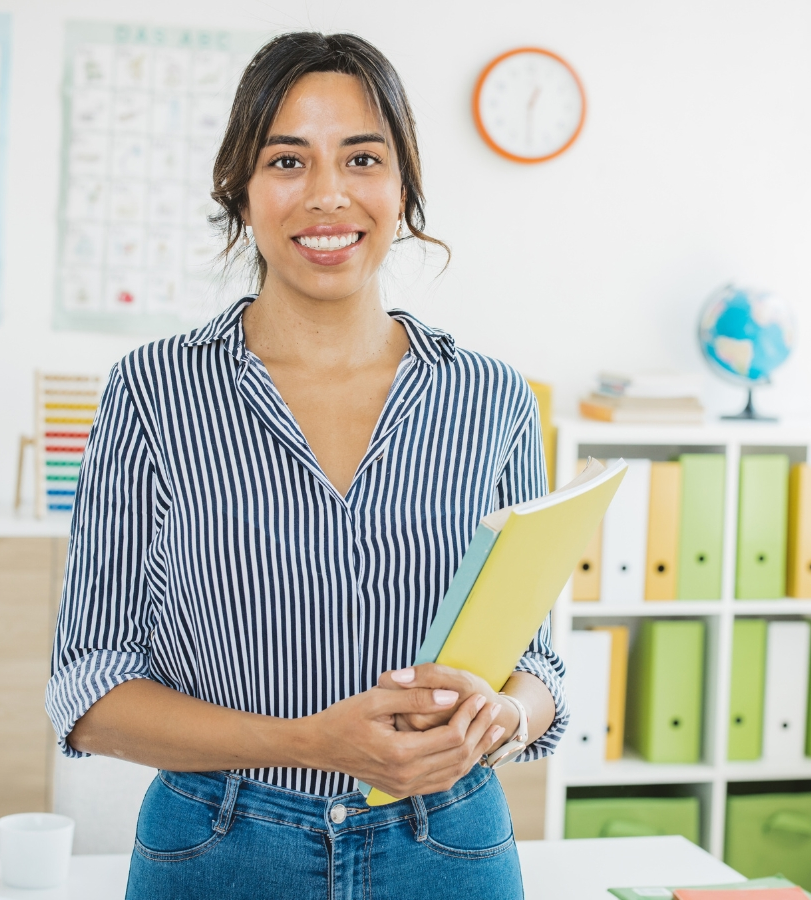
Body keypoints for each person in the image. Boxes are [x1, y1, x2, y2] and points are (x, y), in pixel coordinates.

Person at [47, 31, 567, 900]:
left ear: (403, 190)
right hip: (220, 846)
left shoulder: (493, 398)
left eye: (362, 158)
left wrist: (501, 716)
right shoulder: (152, 391)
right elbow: (90, 688)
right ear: (241, 194)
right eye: (288, 161)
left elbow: (539, 667)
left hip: (448, 844)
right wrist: (306, 742)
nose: (328, 195)